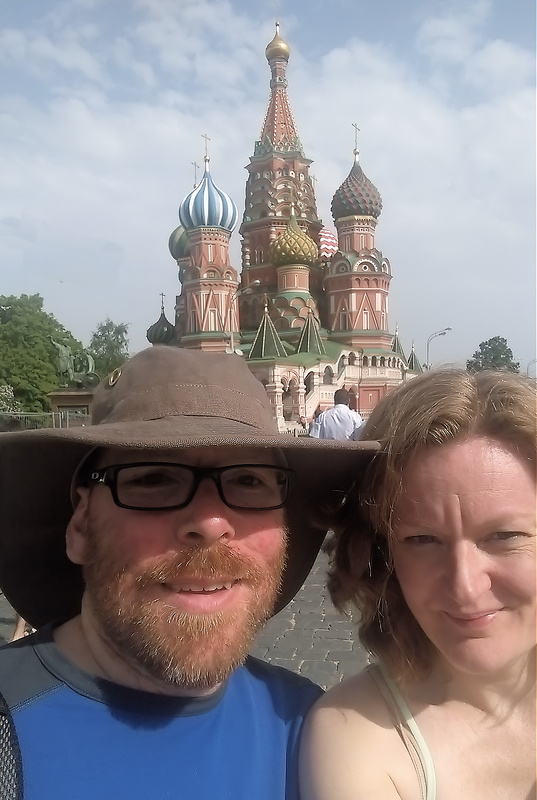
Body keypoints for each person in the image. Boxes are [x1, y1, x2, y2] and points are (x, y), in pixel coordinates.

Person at [0, 346, 377, 800]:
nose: (211, 523)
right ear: (81, 524)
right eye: (154, 479)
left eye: (248, 481)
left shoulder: (314, 735)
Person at [300, 369, 536, 800]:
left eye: (504, 536)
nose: (465, 587)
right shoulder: (361, 739)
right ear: (384, 555)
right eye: (423, 540)